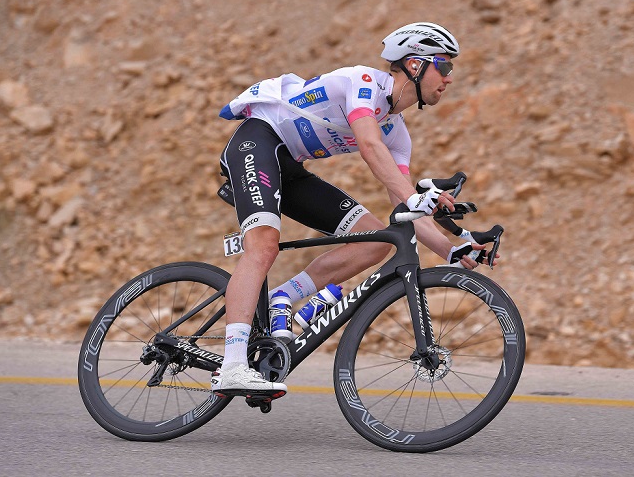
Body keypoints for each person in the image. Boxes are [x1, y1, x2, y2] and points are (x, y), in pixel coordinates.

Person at [211, 22, 492, 399]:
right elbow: (368, 144)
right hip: (257, 142)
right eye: (444, 66)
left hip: (289, 167)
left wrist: (453, 249)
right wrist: (413, 197)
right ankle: (231, 366)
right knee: (264, 245)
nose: (449, 78)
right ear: (414, 65)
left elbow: (403, 205)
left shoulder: (398, 133)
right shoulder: (363, 83)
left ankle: (283, 297)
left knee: (375, 242)